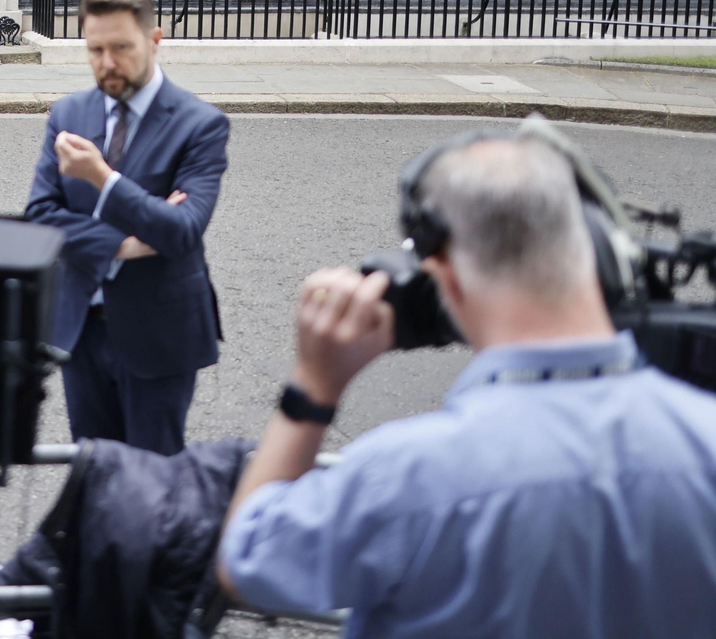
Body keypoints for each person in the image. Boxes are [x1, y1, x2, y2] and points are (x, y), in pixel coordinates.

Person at [216, 133, 716, 638]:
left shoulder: (405, 477)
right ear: (598, 251)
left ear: (443, 279)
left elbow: (248, 563)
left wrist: (314, 385)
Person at [25, 0, 230, 455]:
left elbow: (181, 232)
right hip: (82, 326)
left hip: (159, 333)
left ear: (154, 40)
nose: (107, 64)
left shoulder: (199, 125)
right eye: (95, 49)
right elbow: (39, 217)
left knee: (153, 484)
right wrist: (126, 244)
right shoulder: (68, 114)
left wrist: (102, 179)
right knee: (94, 474)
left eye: (121, 48)